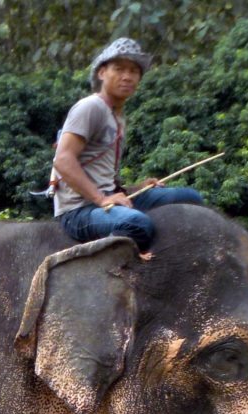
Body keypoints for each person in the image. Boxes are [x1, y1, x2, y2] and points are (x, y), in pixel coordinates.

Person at [53, 38, 204, 258]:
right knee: (138, 225)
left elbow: (103, 177)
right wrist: (102, 199)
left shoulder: (117, 117)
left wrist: (135, 189)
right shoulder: (90, 107)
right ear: (102, 72)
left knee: (190, 197)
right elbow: (63, 160)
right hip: (79, 210)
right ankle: (106, 264)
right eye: (119, 69)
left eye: (134, 71)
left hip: (106, 199)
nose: (127, 76)